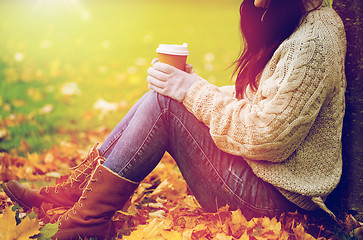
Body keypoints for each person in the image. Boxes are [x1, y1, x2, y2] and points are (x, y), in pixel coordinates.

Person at [2, 0, 346, 239]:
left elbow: (265, 137)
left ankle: (85, 219)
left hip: (275, 202)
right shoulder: (306, 21)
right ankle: (73, 195)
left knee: (166, 104)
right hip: (265, 180)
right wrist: (192, 88)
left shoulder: (312, 42)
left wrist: (190, 90)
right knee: (165, 98)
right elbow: (264, 104)